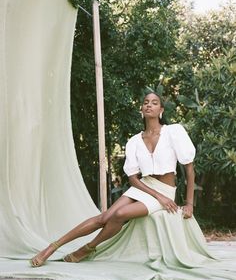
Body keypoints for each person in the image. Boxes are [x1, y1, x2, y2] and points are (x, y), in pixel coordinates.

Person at [30, 91, 195, 267]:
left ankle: (88, 247)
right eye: (146, 102)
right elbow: (133, 178)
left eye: (154, 103)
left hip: (165, 190)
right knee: (104, 218)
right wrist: (156, 195)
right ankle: (52, 247)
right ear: (141, 109)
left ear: (161, 110)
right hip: (144, 186)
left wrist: (189, 204)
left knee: (120, 214)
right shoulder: (134, 141)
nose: (149, 105)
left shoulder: (174, 132)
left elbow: (190, 169)